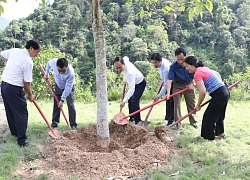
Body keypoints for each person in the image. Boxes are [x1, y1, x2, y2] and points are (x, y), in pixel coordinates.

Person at [0, 39, 42, 147]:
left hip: (4, 86)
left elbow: (2, 54)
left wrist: (10, 63)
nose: (37, 54)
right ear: (31, 48)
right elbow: (26, 83)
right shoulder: (28, 61)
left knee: (10, 110)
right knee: (21, 113)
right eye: (37, 52)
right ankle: (22, 140)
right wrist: (30, 94)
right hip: (14, 88)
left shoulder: (15, 51)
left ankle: (15, 132)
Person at [184, 56, 230, 143]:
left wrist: (198, 105)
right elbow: (214, 75)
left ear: (192, 65)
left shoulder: (197, 73)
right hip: (225, 90)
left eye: (187, 66)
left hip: (219, 94)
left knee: (208, 117)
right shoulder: (203, 68)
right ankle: (221, 134)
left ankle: (211, 140)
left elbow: (203, 92)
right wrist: (194, 85)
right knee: (219, 115)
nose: (186, 69)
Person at [166, 48, 198, 129]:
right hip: (177, 85)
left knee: (191, 103)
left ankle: (193, 122)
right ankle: (178, 125)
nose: (180, 62)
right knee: (176, 105)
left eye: (182, 59)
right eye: (178, 59)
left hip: (189, 84)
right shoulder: (173, 66)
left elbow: (197, 74)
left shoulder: (191, 63)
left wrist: (194, 84)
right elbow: (169, 80)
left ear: (186, 56)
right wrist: (168, 93)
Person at [44, 58, 77, 129]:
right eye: (59, 71)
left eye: (63, 71)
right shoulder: (53, 62)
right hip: (58, 85)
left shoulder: (70, 72)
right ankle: (54, 123)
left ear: (67, 67)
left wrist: (62, 100)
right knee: (56, 104)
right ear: (56, 66)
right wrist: (47, 73)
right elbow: (48, 64)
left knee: (70, 104)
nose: (61, 72)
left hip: (69, 87)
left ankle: (73, 124)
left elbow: (68, 88)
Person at [113, 56, 146, 125]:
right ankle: (131, 117)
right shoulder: (124, 60)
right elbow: (126, 57)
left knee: (134, 101)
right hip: (133, 82)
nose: (118, 70)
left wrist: (123, 101)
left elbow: (132, 89)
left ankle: (138, 121)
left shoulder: (129, 73)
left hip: (140, 83)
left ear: (124, 64)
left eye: (120, 68)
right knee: (130, 100)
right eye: (117, 68)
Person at [150, 53, 174, 125]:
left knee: (171, 102)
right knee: (167, 100)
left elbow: (167, 84)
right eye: (153, 63)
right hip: (166, 82)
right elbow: (164, 80)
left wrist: (158, 95)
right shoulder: (160, 65)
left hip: (173, 83)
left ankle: (171, 121)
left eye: (156, 63)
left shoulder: (166, 68)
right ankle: (167, 118)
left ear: (160, 61)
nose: (154, 65)